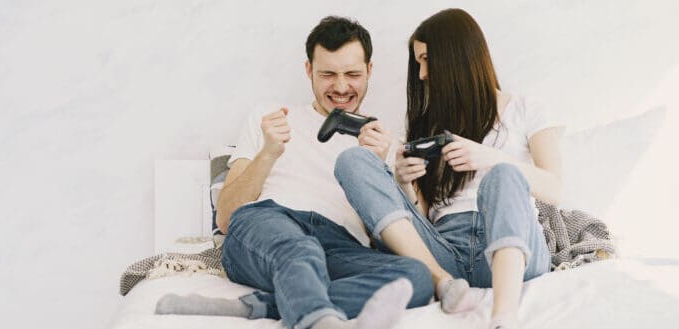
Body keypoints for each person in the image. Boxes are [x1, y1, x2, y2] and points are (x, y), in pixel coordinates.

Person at [154, 16, 434, 329]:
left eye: (352, 74)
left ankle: (260, 306)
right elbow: (226, 216)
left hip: (340, 246)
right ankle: (320, 322)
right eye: (328, 74)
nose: (341, 87)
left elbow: (402, 238)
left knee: (416, 277)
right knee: (301, 249)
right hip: (268, 225)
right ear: (308, 71)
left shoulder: (387, 142)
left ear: (369, 70)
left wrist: (380, 170)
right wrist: (269, 152)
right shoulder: (269, 119)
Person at [334, 8, 564, 329]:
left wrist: (488, 157)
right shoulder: (426, 125)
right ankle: (440, 281)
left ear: (455, 56)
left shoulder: (527, 110)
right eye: (419, 63)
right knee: (354, 160)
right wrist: (405, 183)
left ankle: (503, 317)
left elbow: (556, 188)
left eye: (426, 59)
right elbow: (426, 214)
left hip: (510, 254)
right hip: (444, 255)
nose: (423, 73)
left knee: (502, 175)